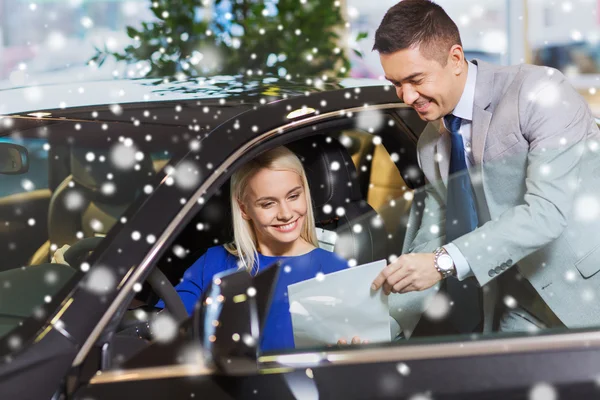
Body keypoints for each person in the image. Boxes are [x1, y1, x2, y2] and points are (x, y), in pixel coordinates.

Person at [370, 0, 600, 334]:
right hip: (516, 308)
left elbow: (547, 212)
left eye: (415, 79)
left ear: (456, 58)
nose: (405, 96)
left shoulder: (540, 92)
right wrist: (379, 327)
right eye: (396, 83)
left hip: (588, 290)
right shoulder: (430, 145)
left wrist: (443, 262)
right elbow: (432, 242)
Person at [154, 146, 349, 351]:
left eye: (293, 196)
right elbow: (163, 333)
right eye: (268, 204)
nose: (285, 213)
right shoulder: (212, 262)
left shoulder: (336, 270)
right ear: (244, 209)